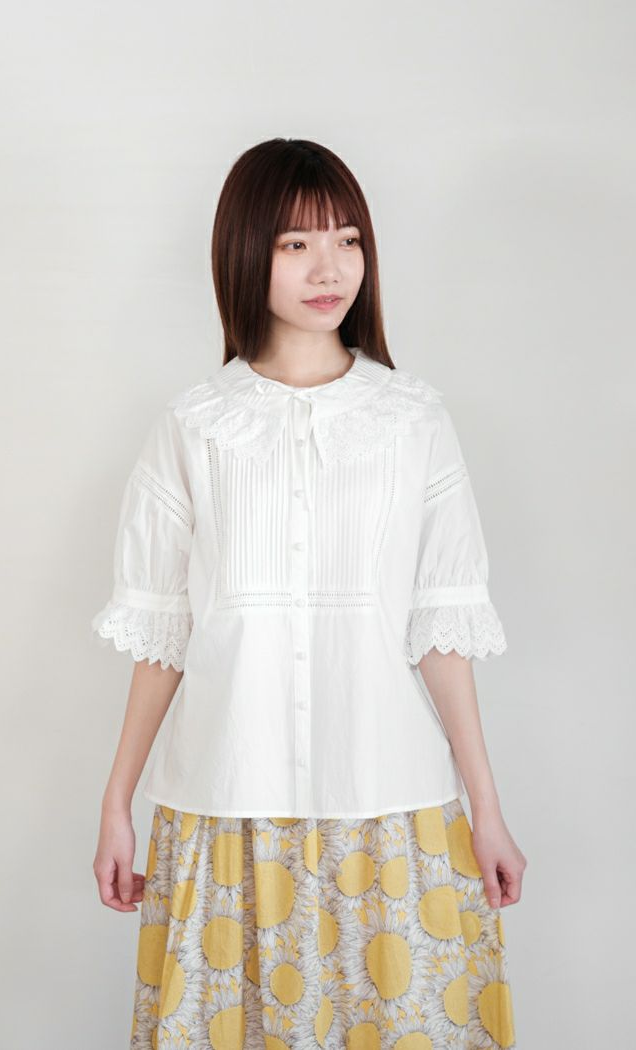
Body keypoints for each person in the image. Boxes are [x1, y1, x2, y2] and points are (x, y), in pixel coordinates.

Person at [92, 137, 525, 1050]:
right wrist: (116, 802)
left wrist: (487, 810)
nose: (330, 268)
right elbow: (165, 633)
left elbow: (441, 630)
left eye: (347, 240)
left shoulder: (413, 420)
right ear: (245, 251)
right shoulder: (194, 426)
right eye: (296, 244)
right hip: (225, 805)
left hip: (391, 805)